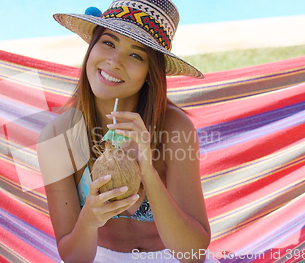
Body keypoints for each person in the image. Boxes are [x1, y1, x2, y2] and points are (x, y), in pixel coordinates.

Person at [37, 0, 218, 262]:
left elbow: (194, 253)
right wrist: (88, 220)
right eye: (108, 43)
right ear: (91, 48)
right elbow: (73, 257)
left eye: (136, 55)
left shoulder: (174, 128)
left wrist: (148, 170)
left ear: (150, 72)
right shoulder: (57, 138)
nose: (115, 61)